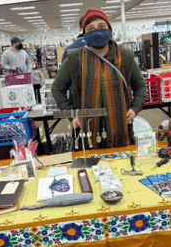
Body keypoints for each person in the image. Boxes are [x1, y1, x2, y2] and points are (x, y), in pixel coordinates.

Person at [51, 9, 147, 150]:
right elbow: (57, 89)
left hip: (121, 129)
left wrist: (135, 107)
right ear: (84, 34)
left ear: (110, 30)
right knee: (89, 163)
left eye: (101, 26)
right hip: (86, 131)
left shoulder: (125, 56)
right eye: (90, 29)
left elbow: (140, 86)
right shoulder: (74, 59)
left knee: (121, 161)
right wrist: (71, 115)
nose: (96, 32)